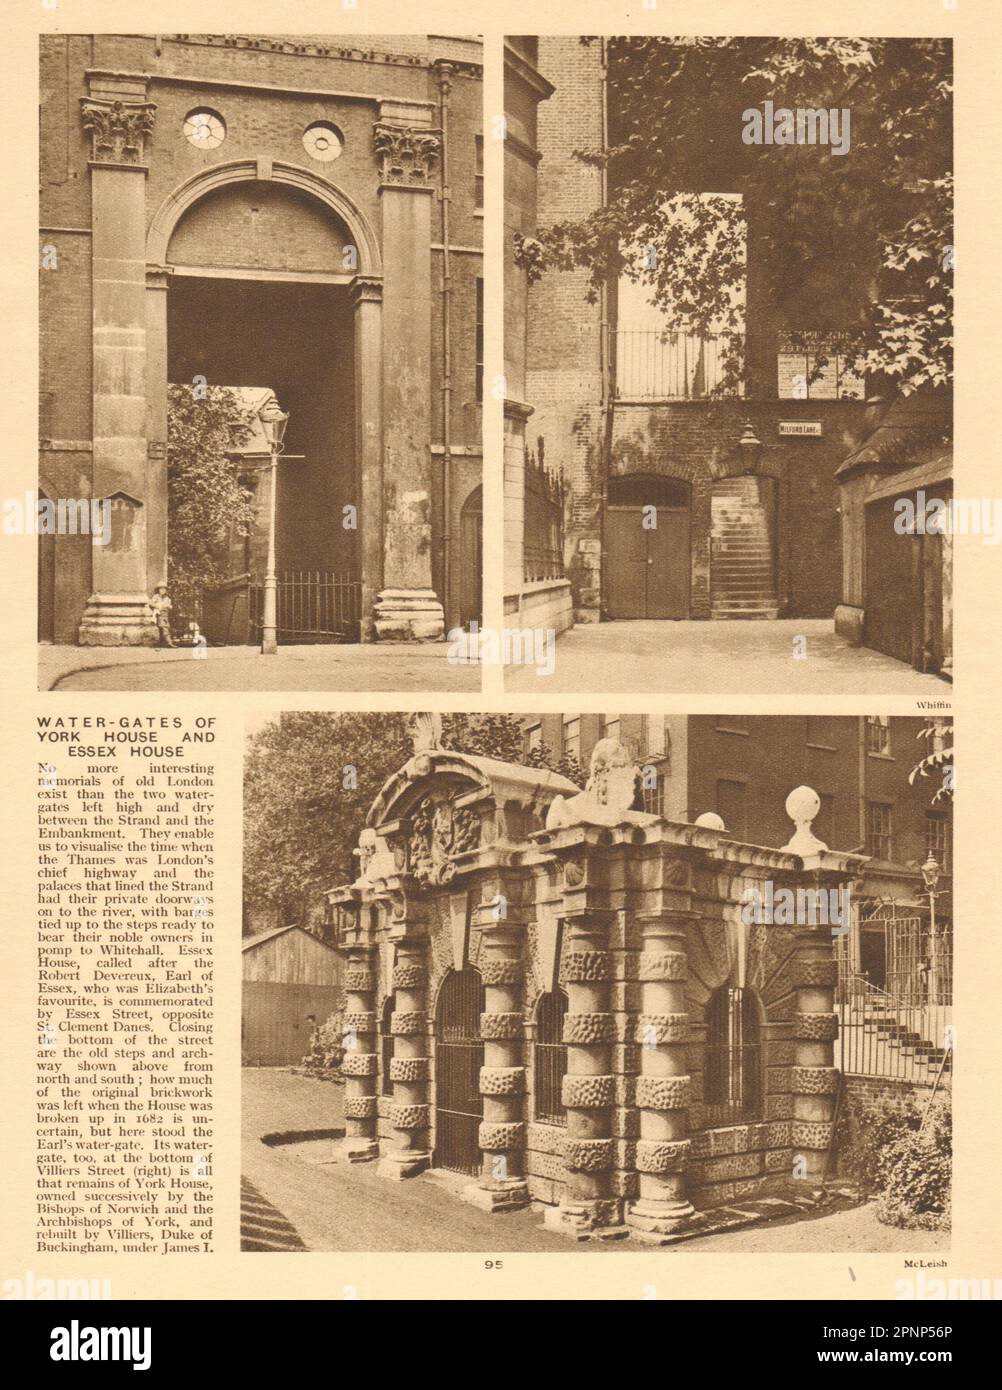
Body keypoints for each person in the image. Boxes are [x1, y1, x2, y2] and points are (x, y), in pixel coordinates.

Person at [148, 583, 175, 647]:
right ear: (158, 590)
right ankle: (166, 642)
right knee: (162, 628)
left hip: (165, 614)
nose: (162, 590)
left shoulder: (167, 598)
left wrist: (169, 606)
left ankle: (165, 642)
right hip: (158, 614)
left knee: (163, 627)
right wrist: (157, 606)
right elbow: (151, 603)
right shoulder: (156, 596)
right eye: (161, 589)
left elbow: (170, 606)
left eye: (164, 589)